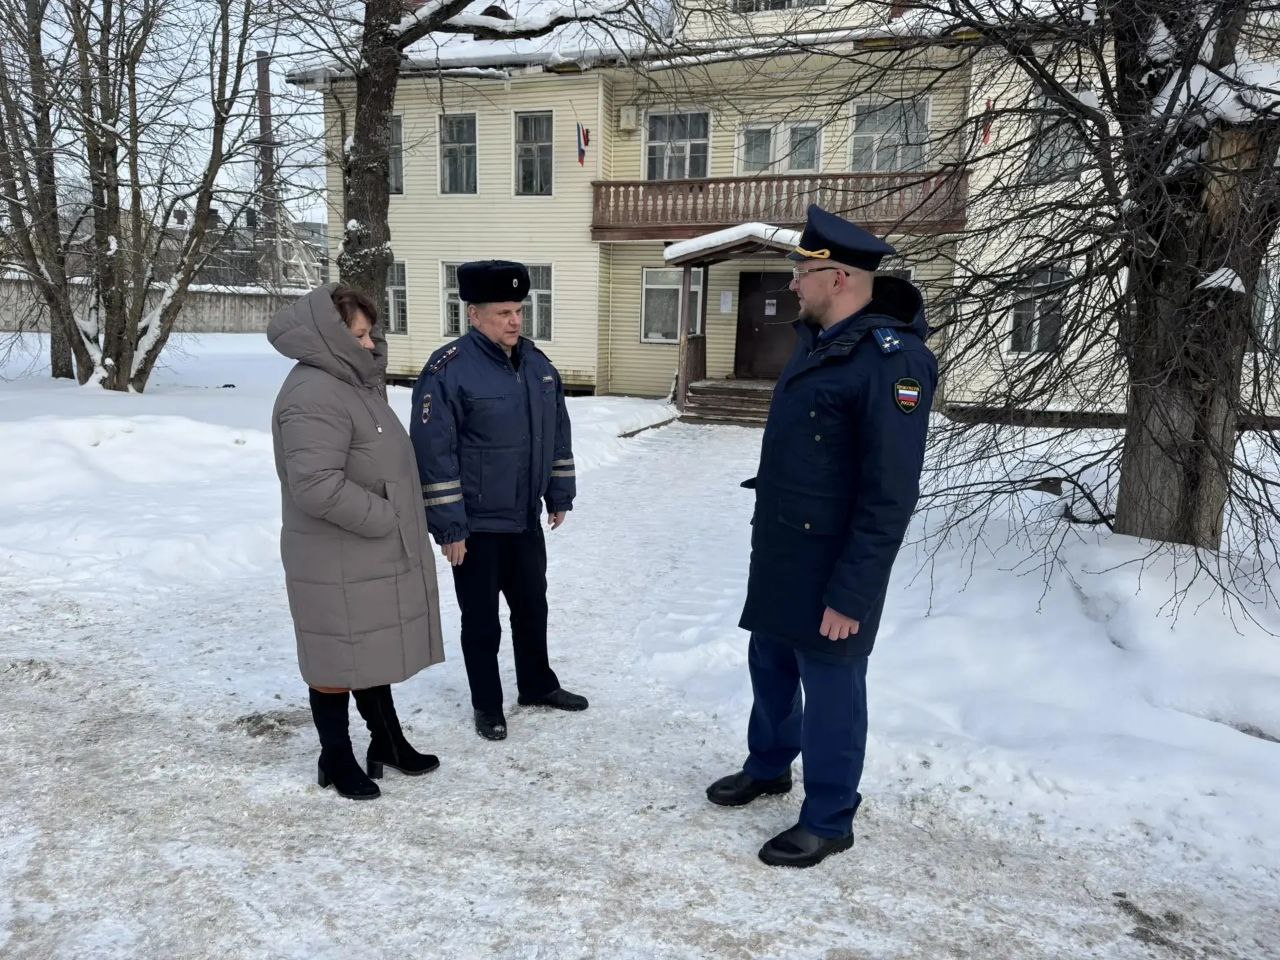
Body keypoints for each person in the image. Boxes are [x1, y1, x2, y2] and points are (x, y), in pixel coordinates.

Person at [705, 205, 937, 867]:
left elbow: (889, 494)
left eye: (801, 274)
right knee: (771, 668)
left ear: (837, 278)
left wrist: (852, 593)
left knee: (833, 691)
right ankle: (771, 764)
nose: (792, 286)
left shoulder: (892, 362)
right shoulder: (819, 343)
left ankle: (831, 816)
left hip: (834, 569)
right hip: (784, 551)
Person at [269, 284, 445, 800]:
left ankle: (386, 741)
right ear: (331, 336)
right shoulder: (313, 393)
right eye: (360, 335)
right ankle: (336, 756)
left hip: (361, 551)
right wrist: (384, 516)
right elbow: (315, 485)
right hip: (335, 553)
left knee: (365, 649)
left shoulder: (352, 383)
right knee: (335, 661)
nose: (370, 344)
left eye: (370, 334)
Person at [410, 260, 587, 742]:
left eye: (519, 311)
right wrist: (450, 528)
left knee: (533, 607)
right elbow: (433, 451)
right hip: (477, 527)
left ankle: (537, 685)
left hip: (523, 519)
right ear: (473, 314)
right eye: (503, 312)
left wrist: (559, 493)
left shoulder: (538, 365)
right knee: (482, 622)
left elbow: (557, 435)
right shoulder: (448, 370)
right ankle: (487, 705)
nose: (514, 321)